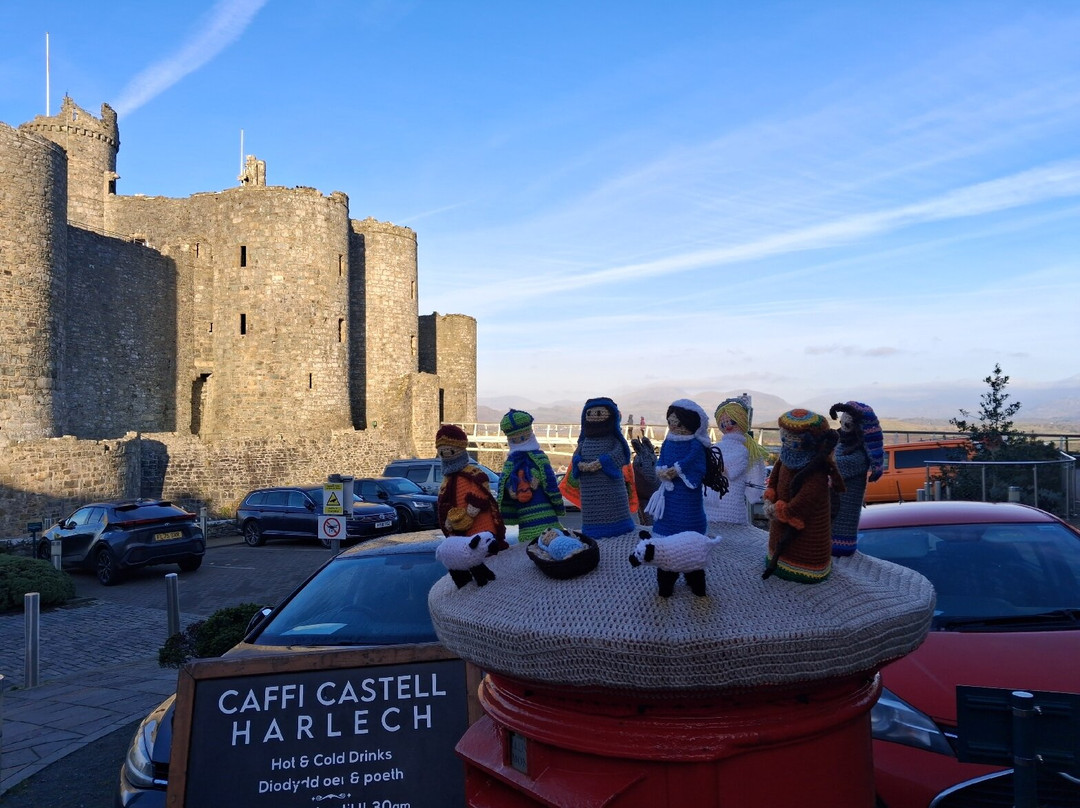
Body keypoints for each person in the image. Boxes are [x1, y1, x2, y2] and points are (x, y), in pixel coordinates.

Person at [762, 409, 843, 583]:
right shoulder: (785, 457)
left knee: (804, 542)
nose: (786, 439)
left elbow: (806, 500)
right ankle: (777, 560)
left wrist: (782, 511)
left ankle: (800, 567)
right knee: (778, 538)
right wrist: (771, 492)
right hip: (779, 525)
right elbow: (774, 476)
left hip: (805, 539)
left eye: (791, 436)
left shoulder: (817, 470)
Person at [567, 397, 635, 538]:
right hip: (589, 487)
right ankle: (592, 528)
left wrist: (602, 462)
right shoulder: (585, 441)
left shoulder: (613, 440)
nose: (593, 416)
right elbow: (576, 455)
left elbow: (621, 454)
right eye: (589, 413)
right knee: (592, 509)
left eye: (598, 413)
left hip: (610, 485)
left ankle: (619, 524)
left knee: (613, 505)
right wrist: (579, 463)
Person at [497, 409, 565, 543]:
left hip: (539, 509)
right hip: (526, 513)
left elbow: (549, 481)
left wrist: (536, 480)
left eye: (522, 438)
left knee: (544, 538)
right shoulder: (514, 462)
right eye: (515, 439)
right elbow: (505, 481)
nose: (519, 441)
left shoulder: (534, 459)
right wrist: (511, 487)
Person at [645, 399, 712, 536]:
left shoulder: (695, 444)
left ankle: (690, 533)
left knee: (686, 511)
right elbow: (662, 458)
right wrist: (660, 469)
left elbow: (693, 461)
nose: (673, 427)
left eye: (679, 424)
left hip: (685, 489)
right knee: (667, 510)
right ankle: (664, 531)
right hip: (668, 488)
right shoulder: (668, 441)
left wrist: (677, 470)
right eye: (670, 422)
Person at [435, 424, 506, 547]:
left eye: (450, 450)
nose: (446, 454)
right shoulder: (448, 480)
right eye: (442, 451)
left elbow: (481, 491)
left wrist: (471, 511)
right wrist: (448, 520)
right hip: (460, 532)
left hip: (481, 527)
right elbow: (445, 502)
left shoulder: (472, 474)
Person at [704, 396, 770, 528]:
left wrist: (713, 467)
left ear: (741, 421)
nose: (727, 426)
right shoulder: (719, 447)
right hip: (713, 499)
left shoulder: (742, 450)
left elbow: (732, 470)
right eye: (723, 424)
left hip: (729, 501)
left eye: (732, 422)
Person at [829, 401, 884, 556]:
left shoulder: (858, 456)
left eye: (846, 425)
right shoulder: (840, 446)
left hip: (841, 534)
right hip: (828, 517)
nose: (842, 429)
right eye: (841, 423)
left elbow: (832, 467)